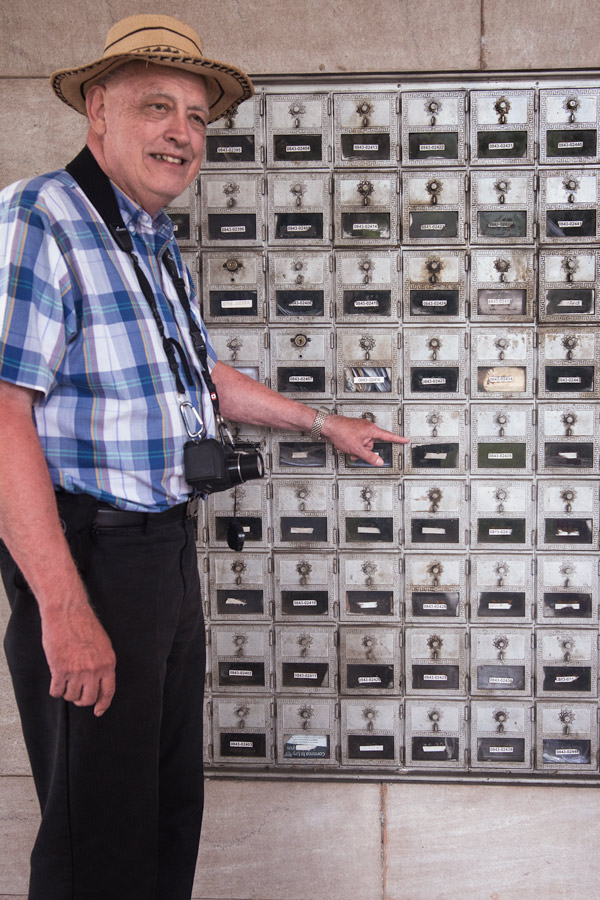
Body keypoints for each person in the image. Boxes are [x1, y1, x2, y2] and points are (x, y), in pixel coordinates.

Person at [0, 14, 408, 900]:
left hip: (160, 555)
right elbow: (2, 419)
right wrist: (62, 610)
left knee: (163, 814)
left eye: (195, 114)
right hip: (91, 556)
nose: (182, 132)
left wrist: (319, 421)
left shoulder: (148, 236)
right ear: (96, 110)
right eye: (157, 106)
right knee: (94, 842)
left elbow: (198, 374)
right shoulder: (42, 217)